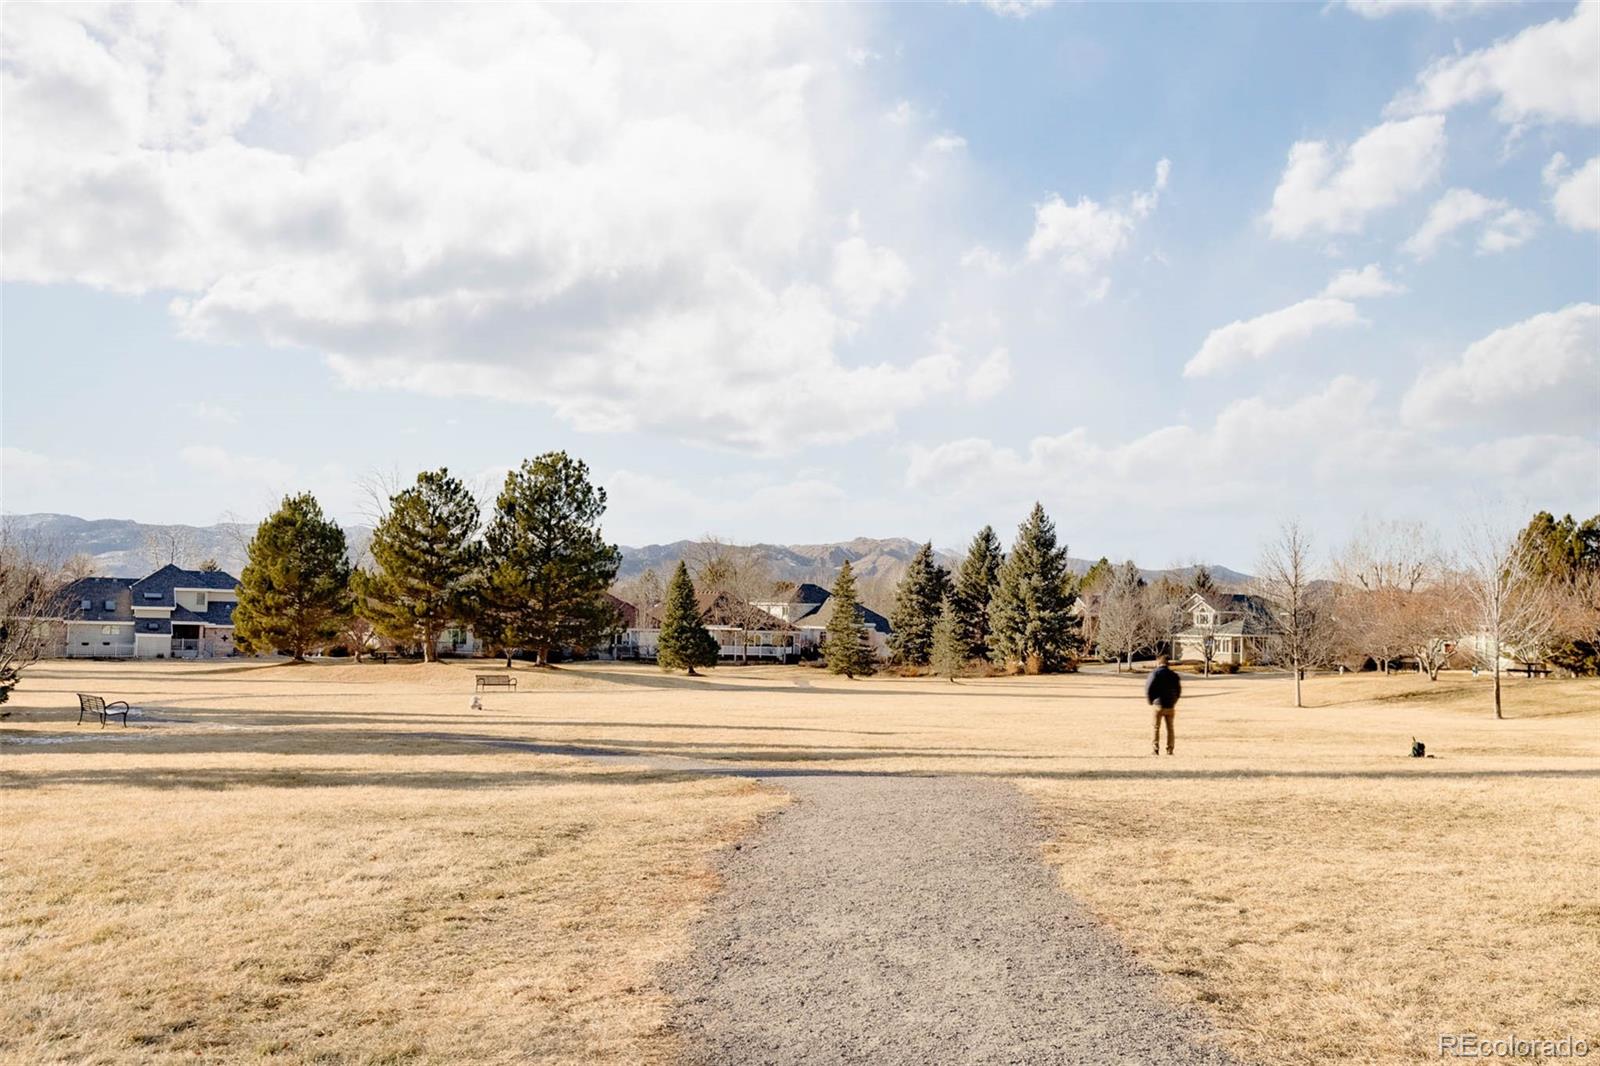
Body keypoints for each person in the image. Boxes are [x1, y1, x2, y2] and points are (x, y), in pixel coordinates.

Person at [1146, 652, 1181, 756]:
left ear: (1158, 662)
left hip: (1158, 705)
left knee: (1156, 727)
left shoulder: (1155, 673)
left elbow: (1148, 688)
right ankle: (1170, 749)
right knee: (1170, 728)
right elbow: (1179, 690)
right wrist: (1174, 701)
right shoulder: (1174, 675)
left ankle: (1155, 749)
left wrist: (1151, 701)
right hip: (1170, 705)